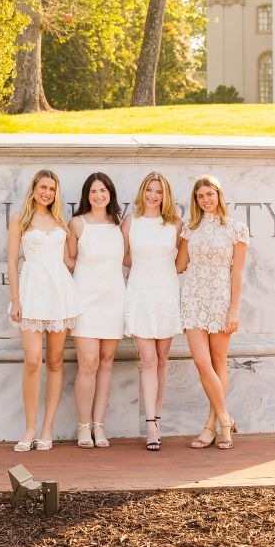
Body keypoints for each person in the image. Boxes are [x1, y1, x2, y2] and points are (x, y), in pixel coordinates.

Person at [6, 169, 82, 452]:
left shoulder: (60, 221)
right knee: (32, 361)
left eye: (51, 188)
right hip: (31, 293)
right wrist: (15, 300)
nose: (46, 192)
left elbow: (69, 260)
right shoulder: (20, 220)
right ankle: (29, 428)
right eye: (42, 187)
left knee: (55, 361)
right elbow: (13, 261)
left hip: (59, 294)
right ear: (34, 189)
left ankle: (47, 429)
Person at [177, 174, 249, 449]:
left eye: (210, 194)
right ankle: (225, 419)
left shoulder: (236, 229)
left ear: (219, 195)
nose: (205, 199)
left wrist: (234, 309)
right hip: (193, 299)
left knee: (219, 361)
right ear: (195, 201)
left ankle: (211, 425)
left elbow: (238, 273)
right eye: (200, 196)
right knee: (201, 362)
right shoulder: (189, 229)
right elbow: (179, 265)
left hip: (221, 300)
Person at [123, 171, 184, 450]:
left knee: (161, 358)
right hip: (140, 293)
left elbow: (181, 261)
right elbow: (124, 257)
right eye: (149, 190)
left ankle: (157, 419)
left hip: (166, 293)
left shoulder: (175, 224)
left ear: (165, 195)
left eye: (158, 192)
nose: (152, 196)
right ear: (142, 192)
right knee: (147, 359)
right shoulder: (131, 222)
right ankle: (150, 426)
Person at [66, 171, 127, 449]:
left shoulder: (119, 226)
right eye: (93, 192)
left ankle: (99, 426)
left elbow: (130, 258)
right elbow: (67, 262)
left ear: (111, 194)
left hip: (114, 299)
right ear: (86, 196)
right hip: (86, 300)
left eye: (103, 191)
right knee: (88, 363)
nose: (98, 195)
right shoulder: (77, 224)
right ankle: (83, 426)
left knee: (106, 362)